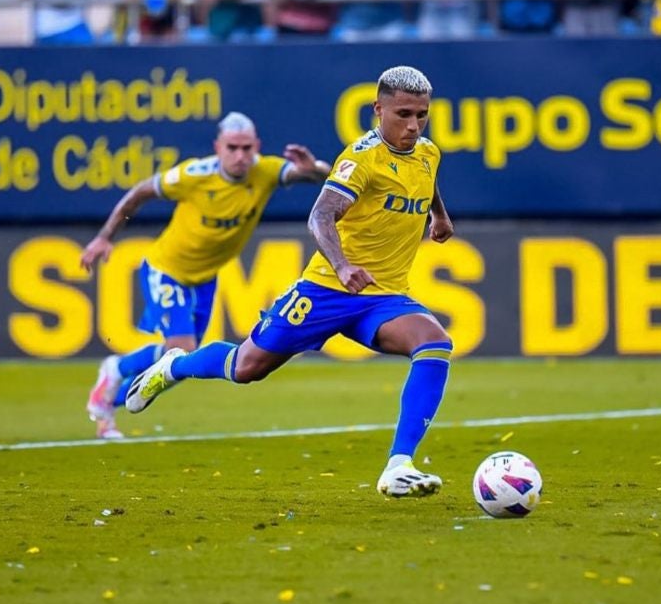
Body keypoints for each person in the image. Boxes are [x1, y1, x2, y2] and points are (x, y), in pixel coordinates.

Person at [125, 66, 456, 499]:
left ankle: (399, 465)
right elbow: (320, 215)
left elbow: (425, 179)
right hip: (326, 291)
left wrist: (439, 214)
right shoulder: (360, 159)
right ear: (378, 109)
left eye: (421, 116)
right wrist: (340, 267)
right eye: (403, 114)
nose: (413, 126)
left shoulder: (428, 152)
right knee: (246, 368)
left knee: (435, 343)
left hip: (384, 296)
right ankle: (173, 366)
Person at [80, 112, 330, 439]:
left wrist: (314, 168)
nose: (240, 156)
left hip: (205, 276)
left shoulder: (265, 171)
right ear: (218, 147)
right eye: (232, 148)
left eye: (246, 148)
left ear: (256, 146)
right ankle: (112, 386)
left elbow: (318, 175)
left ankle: (114, 378)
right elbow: (140, 192)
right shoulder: (194, 175)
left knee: (182, 360)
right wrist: (104, 237)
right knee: (179, 351)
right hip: (167, 269)